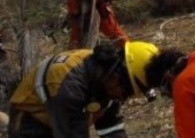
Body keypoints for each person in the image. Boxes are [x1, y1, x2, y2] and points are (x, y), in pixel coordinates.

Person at [7, 41, 160, 138]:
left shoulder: (107, 80)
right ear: (116, 74)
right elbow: (72, 133)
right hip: (30, 123)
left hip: (64, 121)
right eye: (126, 92)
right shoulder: (68, 85)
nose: (122, 98)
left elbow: (111, 127)